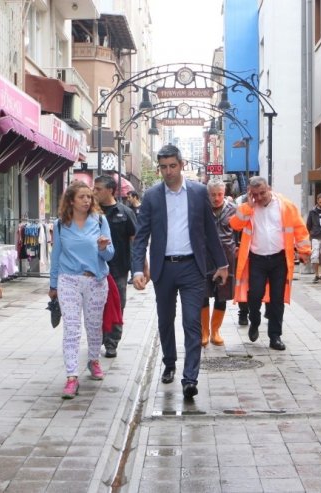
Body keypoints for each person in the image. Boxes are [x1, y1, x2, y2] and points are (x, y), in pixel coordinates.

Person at [131, 144, 228, 400]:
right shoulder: (152, 196)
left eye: (172, 166)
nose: (168, 171)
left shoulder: (198, 193)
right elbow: (140, 237)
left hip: (192, 268)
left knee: (191, 322)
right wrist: (137, 270)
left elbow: (209, 231)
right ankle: (170, 362)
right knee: (165, 321)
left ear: (182, 164)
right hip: (163, 269)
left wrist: (222, 264)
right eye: (163, 167)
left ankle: (190, 378)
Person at [49, 181, 114, 399]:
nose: (87, 200)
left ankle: (94, 360)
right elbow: (56, 255)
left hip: (95, 280)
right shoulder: (60, 225)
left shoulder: (100, 220)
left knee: (94, 326)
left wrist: (104, 248)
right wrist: (53, 285)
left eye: (89, 197)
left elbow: (110, 255)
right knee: (72, 327)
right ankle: (71, 377)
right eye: (82, 197)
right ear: (70, 201)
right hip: (68, 280)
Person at [229, 176, 311, 351]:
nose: (259, 197)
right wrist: (248, 207)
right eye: (255, 194)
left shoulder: (285, 206)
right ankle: (255, 321)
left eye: (262, 193)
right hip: (257, 259)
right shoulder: (249, 207)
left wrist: (304, 251)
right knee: (255, 294)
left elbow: (299, 228)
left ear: (269, 188)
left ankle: (275, 336)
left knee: (277, 299)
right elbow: (235, 224)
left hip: (279, 259)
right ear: (250, 194)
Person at [93, 175, 138, 358]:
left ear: (110, 190)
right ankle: (98, 339)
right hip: (94, 269)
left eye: (98, 189)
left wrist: (139, 269)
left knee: (118, 305)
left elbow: (135, 241)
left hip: (118, 268)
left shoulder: (125, 213)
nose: (94, 192)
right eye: (93, 188)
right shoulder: (90, 214)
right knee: (95, 306)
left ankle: (112, 343)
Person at [201, 179, 238, 347]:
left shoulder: (233, 210)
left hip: (227, 258)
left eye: (220, 194)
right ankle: (204, 332)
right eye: (213, 194)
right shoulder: (201, 209)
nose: (216, 198)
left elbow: (240, 231)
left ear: (225, 194)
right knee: (202, 294)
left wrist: (238, 248)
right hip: (205, 258)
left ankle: (215, 331)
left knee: (222, 295)